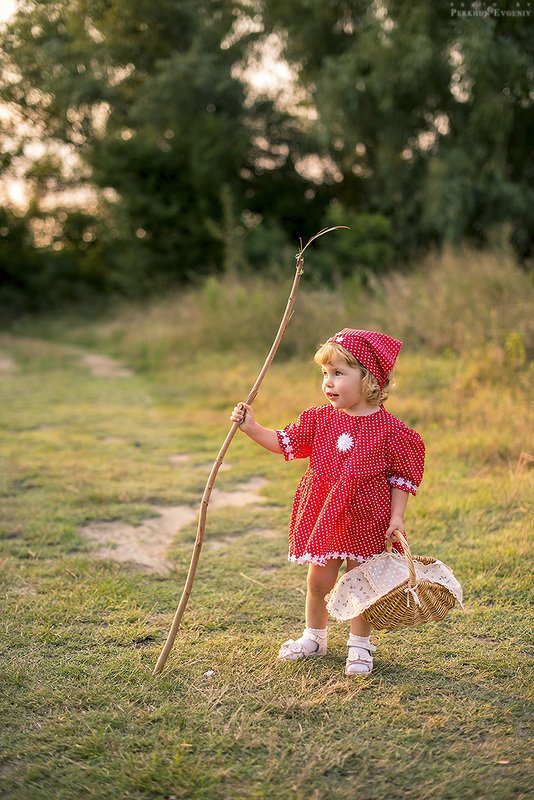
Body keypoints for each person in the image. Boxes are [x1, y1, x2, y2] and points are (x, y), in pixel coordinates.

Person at [230, 328, 425, 676]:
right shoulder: (319, 419)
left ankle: (360, 645)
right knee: (318, 581)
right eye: (325, 374)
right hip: (327, 515)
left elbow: (400, 478)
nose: (328, 383)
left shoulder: (391, 431)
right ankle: (314, 637)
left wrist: (397, 517)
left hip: (369, 517)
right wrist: (252, 428)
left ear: (368, 379)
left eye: (338, 373)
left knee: (362, 583)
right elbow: (284, 442)